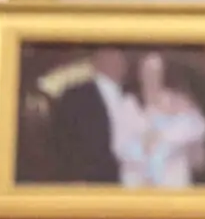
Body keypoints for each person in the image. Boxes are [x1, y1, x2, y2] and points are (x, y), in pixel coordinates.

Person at [23, 48, 137, 184]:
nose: (119, 61)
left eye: (121, 56)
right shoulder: (76, 95)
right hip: (89, 182)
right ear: (96, 59)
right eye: (111, 55)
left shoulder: (133, 96)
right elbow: (62, 140)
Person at [116, 52, 205, 188]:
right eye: (147, 70)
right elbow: (119, 147)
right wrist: (143, 147)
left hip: (173, 183)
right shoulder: (128, 104)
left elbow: (200, 128)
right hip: (137, 184)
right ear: (138, 73)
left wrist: (164, 137)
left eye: (157, 71)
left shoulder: (178, 102)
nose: (152, 76)